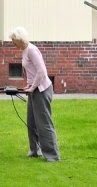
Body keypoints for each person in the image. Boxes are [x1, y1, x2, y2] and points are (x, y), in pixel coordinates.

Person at [9, 26, 60, 162]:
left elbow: (42, 72)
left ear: (20, 39)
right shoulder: (25, 50)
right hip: (34, 89)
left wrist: (32, 88)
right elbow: (31, 71)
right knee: (31, 122)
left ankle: (52, 156)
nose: (13, 44)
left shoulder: (31, 50)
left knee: (44, 123)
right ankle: (35, 150)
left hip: (42, 90)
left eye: (14, 41)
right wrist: (29, 85)